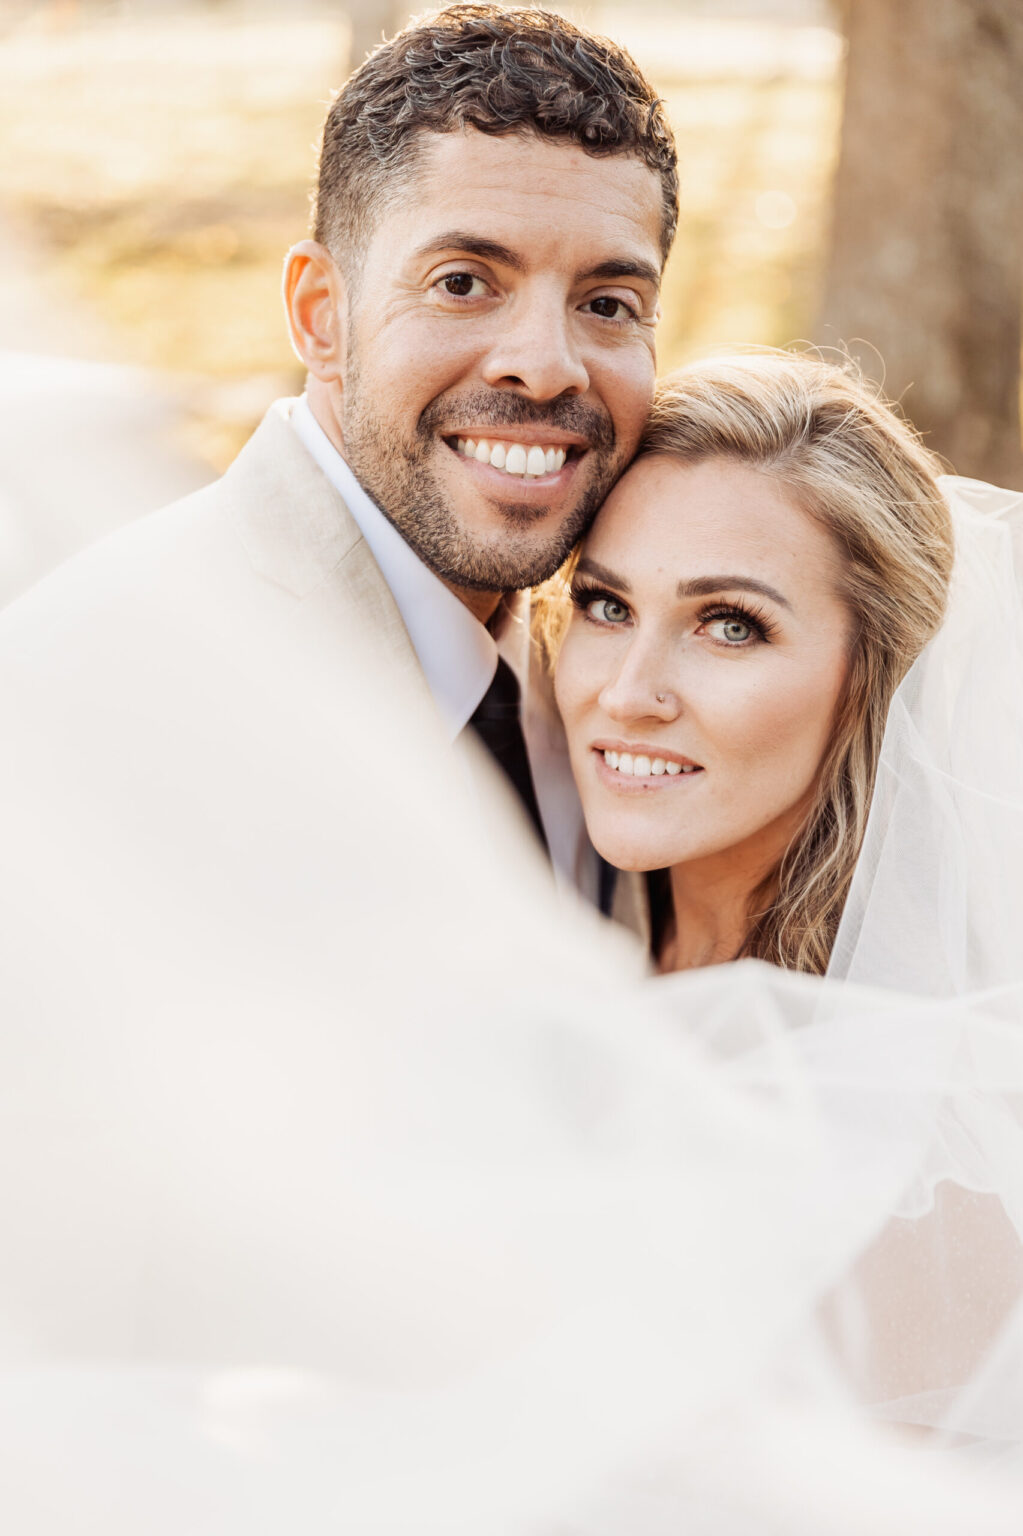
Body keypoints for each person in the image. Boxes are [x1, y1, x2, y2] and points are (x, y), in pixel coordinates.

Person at [552, 349, 1023, 990]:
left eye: (730, 627)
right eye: (608, 606)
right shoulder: (538, 899)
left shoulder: (913, 1039)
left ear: (875, 673)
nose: (628, 694)